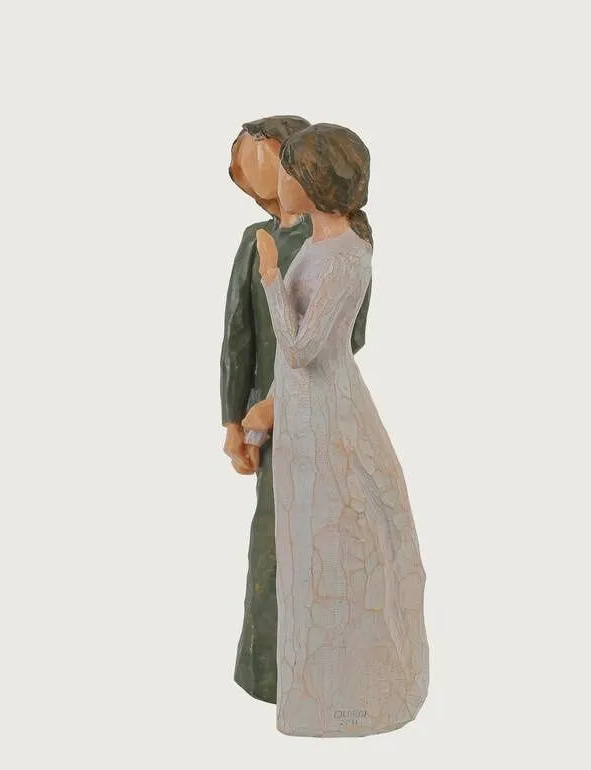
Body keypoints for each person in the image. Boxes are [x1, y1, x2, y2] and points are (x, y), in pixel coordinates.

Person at [242, 124, 429, 736]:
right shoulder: (320, 246)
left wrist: (271, 276)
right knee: (305, 549)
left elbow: (301, 350)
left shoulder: (347, 257)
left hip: (326, 416)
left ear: (316, 182)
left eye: (290, 170)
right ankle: (312, 690)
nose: (280, 181)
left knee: (335, 549)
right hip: (301, 415)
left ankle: (348, 695)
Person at [221, 116, 371, 703]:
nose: (260, 173)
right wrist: (234, 418)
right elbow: (237, 333)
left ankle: (321, 675)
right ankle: (271, 671)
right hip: (269, 415)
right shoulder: (257, 239)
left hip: (310, 409)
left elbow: (340, 339)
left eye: (272, 159)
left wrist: (277, 402)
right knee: (273, 541)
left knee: (322, 540)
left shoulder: (334, 246)